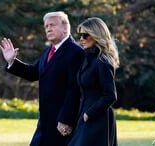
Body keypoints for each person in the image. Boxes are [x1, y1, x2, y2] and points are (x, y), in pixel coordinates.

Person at [0, 11, 84, 146]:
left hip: (62, 123)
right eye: (46, 26)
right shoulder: (49, 50)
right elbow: (34, 73)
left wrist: (66, 119)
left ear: (65, 27)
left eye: (52, 25)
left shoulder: (76, 52)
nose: (48, 28)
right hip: (45, 121)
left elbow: (75, 89)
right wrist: (12, 62)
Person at [68, 17, 119, 146]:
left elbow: (110, 95)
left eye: (85, 35)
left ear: (96, 35)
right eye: (80, 35)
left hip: (98, 117)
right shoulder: (86, 58)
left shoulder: (102, 61)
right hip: (84, 115)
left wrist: (89, 114)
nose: (81, 39)